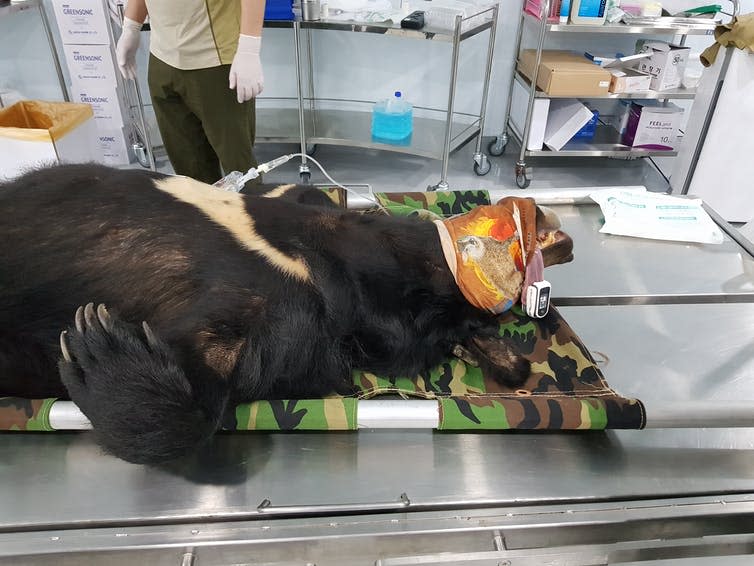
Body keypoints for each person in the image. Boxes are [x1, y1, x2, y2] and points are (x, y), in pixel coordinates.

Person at [116, 0, 265, 184]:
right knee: (190, 173)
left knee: (241, 173)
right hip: (162, 57)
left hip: (214, 61)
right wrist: (131, 26)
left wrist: (249, 49)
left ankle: (250, 211)